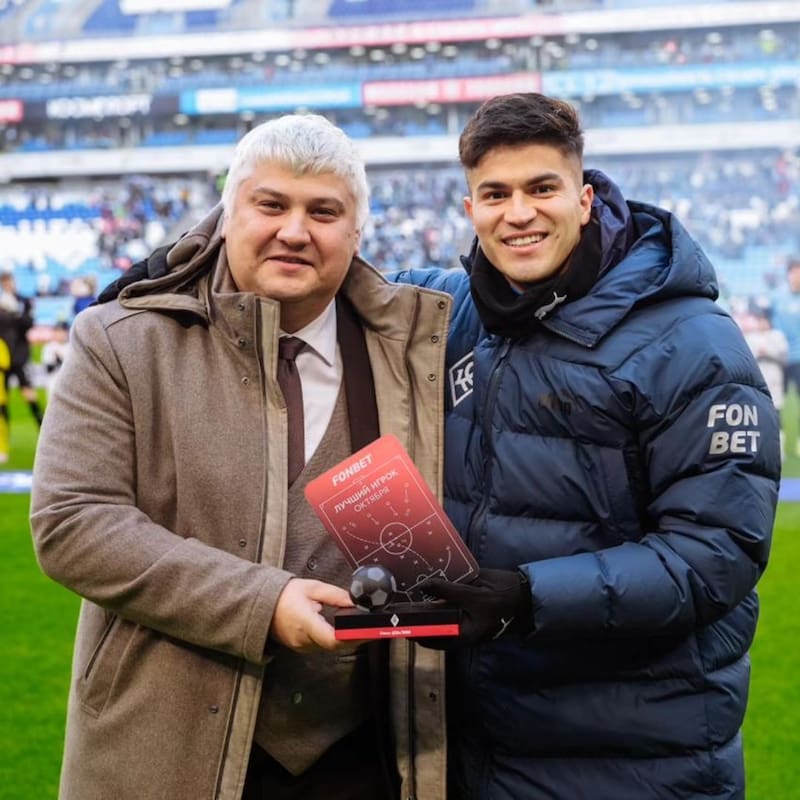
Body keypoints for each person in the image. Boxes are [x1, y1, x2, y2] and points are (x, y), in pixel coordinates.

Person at [30, 114, 450, 800]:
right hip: (168, 742)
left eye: (323, 211)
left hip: (362, 754)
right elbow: (74, 524)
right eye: (271, 204)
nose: (294, 230)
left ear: (357, 231)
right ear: (228, 214)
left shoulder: (408, 351)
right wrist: (264, 601)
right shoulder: (119, 340)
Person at [391, 93, 780, 799]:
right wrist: (196, 256)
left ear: (584, 196)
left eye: (542, 188)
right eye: (495, 194)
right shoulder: (452, 312)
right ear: (469, 209)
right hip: (481, 745)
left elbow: (717, 553)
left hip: (635, 756)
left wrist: (529, 598)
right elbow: (319, 267)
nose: (519, 213)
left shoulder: (693, 340)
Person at [0, 270, 43, 427]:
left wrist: (15, 313)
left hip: (20, 356)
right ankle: (3, 440)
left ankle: (42, 428)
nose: (7, 285)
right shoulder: (1, 304)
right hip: (3, 357)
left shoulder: (24, 302)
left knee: (28, 392)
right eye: (4, 283)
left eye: (9, 281)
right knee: (2, 397)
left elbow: (29, 324)